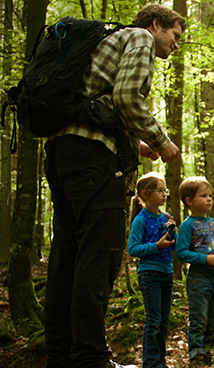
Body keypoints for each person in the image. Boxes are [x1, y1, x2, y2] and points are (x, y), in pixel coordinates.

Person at [44, 4, 184, 368]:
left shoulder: (107, 43)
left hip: (65, 153)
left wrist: (135, 144)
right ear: (156, 25)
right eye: (175, 36)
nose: (176, 45)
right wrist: (160, 140)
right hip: (93, 162)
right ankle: (90, 356)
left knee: (68, 255)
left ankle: (61, 354)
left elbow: (99, 105)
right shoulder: (138, 37)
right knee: (99, 255)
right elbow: (126, 97)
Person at [175, 177, 214, 367]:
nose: (209, 199)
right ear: (189, 201)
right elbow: (181, 252)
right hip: (199, 279)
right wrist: (205, 259)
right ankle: (196, 355)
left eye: (210, 196)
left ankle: (208, 351)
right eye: (203, 196)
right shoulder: (187, 225)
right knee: (199, 318)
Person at [127, 172, 176, 368]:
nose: (165, 194)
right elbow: (133, 249)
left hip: (167, 272)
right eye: (160, 190)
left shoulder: (165, 216)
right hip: (149, 274)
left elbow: (171, 248)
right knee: (153, 320)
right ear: (146, 194)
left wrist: (173, 235)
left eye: (166, 190)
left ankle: (160, 362)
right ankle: (150, 363)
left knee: (163, 321)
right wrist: (157, 245)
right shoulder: (141, 219)